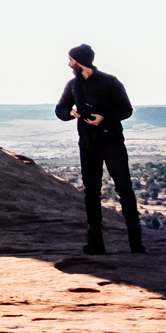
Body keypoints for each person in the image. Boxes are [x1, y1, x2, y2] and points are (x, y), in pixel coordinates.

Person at [55, 43, 142, 254]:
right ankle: (95, 243)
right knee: (91, 193)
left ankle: (136, 243)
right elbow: (60, 109)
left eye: (71, 60)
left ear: (80, 61)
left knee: (124, 189)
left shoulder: (110, 82)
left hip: (112, 143)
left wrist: (104, 119)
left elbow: (126, 109)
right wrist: (71, 113)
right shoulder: (73, 85)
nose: (69, 64)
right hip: (88, 145)